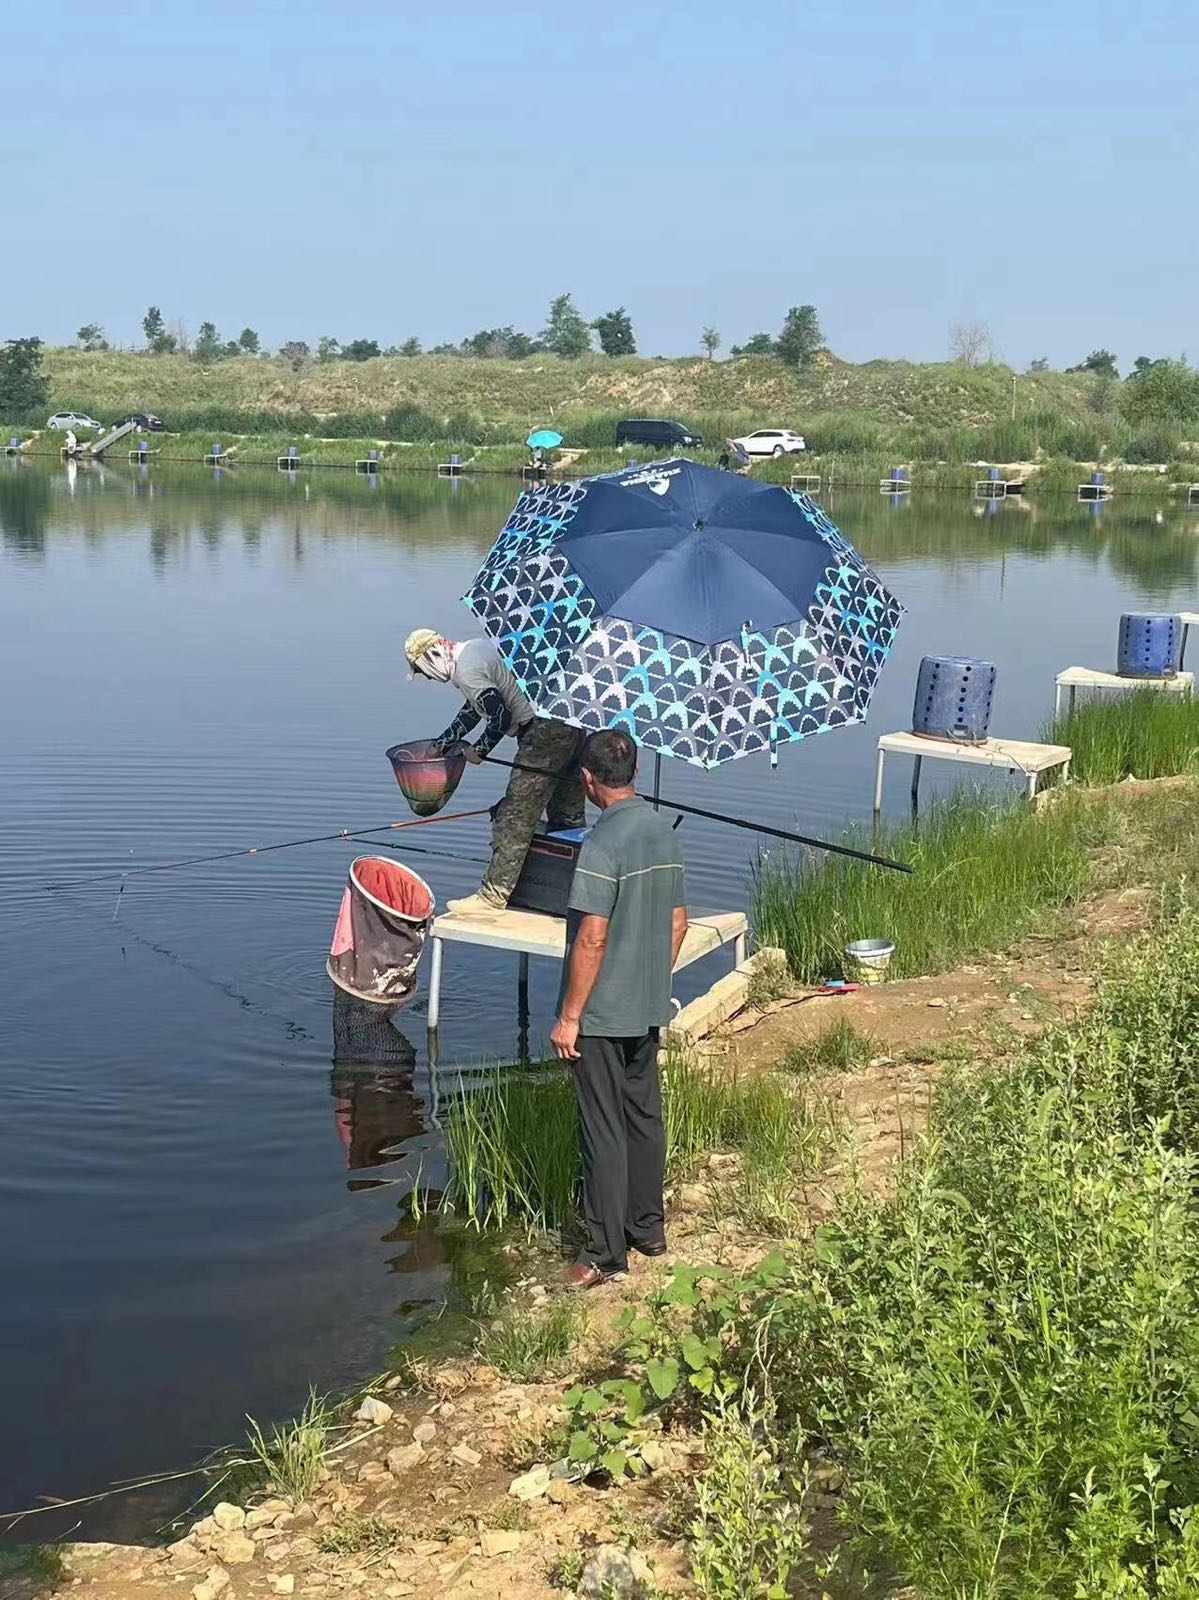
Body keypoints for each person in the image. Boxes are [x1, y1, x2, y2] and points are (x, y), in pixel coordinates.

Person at [549, 729, 687, 1290]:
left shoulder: (600, 846)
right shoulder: (661, 831)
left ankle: (605, 1253)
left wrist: (569, 1017)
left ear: (587, 780)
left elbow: (591, 940)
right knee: (642, 1119)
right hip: (647, 1004)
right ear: (631, 772)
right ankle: (648, 1229)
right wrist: (651, 982)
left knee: (602, 1130)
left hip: (602, 1015)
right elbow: (678, 922)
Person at [404, 628, 585, 917]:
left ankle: (492, 897)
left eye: (422, 670)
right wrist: (442, 744)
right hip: (569, 722)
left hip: (542, 735)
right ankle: (578, 893)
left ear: (431, 655)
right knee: (567, 816)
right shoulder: (476, 648)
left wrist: (480, 751)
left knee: (515, 816)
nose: (427, 677)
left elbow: (499, 716)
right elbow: (475, 709)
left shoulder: (466, 671)